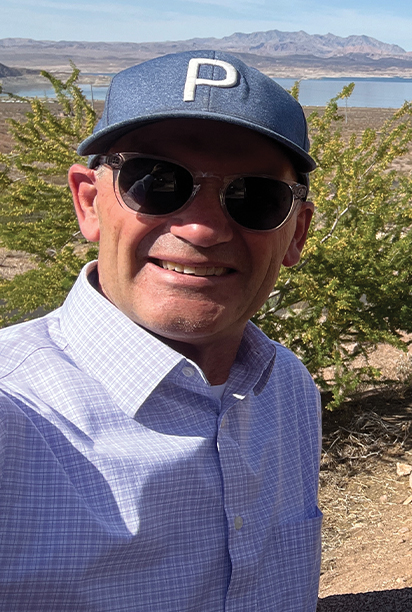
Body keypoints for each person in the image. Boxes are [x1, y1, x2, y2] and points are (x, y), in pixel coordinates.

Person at [0, 51, 323, 610]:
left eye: (254, 197)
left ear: (296, 233)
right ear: (90, 203)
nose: (202, 227)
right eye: (157, 182)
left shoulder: (288, 390)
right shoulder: (16, 419)